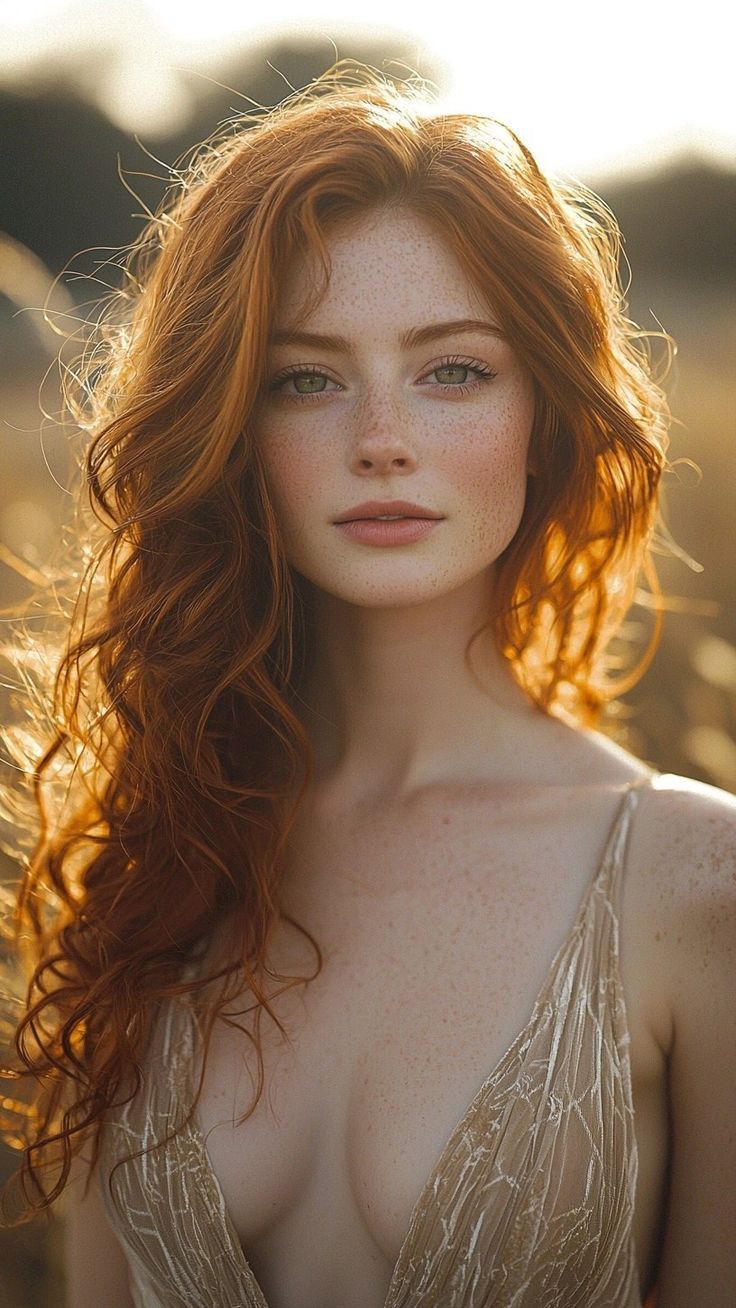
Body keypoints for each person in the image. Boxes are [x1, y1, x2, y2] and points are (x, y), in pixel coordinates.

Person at [0, 61, 734, 1308]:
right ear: (229, 427)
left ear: (544, 414)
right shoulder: (145, 859)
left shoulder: (691, 888)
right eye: (305, 376)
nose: (379, 436)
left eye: (452, 370)